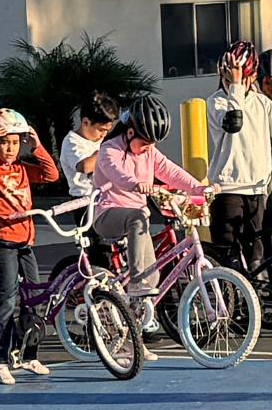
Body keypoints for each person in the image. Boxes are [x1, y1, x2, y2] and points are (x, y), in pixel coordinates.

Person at [86, 108, 208, 338]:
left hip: (138, 219)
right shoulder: (109, 150)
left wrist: (199, 188)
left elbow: (171, 171)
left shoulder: (149, 152)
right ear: (130, 132)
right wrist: (136, 184)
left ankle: (133, 329)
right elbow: (117, 174)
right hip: (107, 213)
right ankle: (135, 282)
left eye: (151, 144)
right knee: (138, 220)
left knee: (152, 276)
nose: (148, 148)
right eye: (144, 143)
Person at [0, 106, 64, 383]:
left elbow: (51, 175)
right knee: (8, 299)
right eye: (4, 143)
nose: (10, 148)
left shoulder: (21, 169)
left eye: (14, 143)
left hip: (25, 242)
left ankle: (28, 354)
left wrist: (36, 146)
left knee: (34, 298)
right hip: (0, 242)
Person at [204, 45, 272, 270]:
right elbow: (234, 122)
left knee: (255, 254)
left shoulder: (261, 102)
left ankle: (258, 290)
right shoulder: (216, 101)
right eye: (226, 77)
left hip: (257, 187)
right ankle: (230, 293)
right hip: (227, 187)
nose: (232, 82)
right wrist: (235, 85)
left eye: (239, 77)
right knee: (228, 253)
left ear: (252, 77)